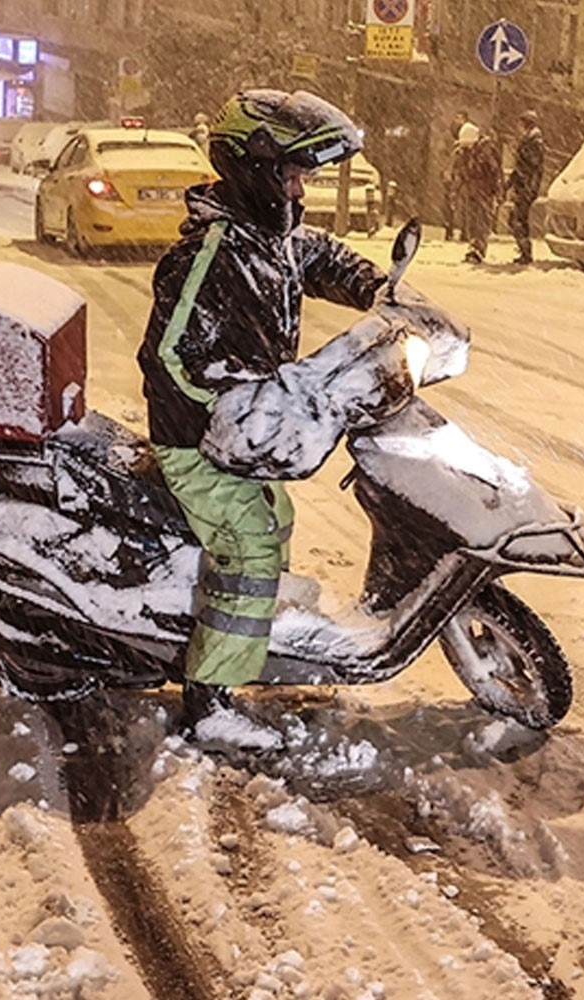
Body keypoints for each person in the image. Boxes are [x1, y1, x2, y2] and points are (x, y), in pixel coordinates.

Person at [136, 89, 388, 737]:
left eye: (304, 177)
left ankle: (245, 634)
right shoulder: (211, 253)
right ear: (254, 168)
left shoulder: (270, 237)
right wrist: (237, 400)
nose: (300, 190)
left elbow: (321, 256)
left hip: (243, 436)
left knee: (277, 516)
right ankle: (210, 700)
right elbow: (169, 355)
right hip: (198, 440)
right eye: (292, 176)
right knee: (249, 545)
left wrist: (381, 290)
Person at [453, 121, 501, 264]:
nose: (466, 147)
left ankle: (478, 249)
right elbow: (460, 173)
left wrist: (497, 192)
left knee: (481, 221)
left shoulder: (486, 151)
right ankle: (473, 246)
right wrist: (456, 190)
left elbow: (495, 173)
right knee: (472, 221)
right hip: (471, 191)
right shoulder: (463, 153)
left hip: (485, 192)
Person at [506, 110, 545, 265]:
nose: (518, 127)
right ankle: (524, 250)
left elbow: (531, 167)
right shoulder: (529, 141)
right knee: (517, 219)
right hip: (524, 186)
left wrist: (526, 185)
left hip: (526, 187)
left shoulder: (534, 143)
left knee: (517, 219)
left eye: (520, 124)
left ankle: (525, 252)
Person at [442, 110, 469, 241]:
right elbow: (447, 154)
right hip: (453, 174)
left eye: (460, 118)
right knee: (449, 203)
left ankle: (463, 230)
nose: (457, 121)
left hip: (461, 174)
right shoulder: (451, 134)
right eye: (456, 118)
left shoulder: (467, 134)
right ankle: (449, 229)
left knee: (462, 204)